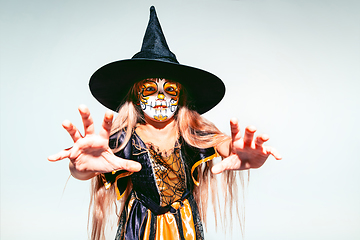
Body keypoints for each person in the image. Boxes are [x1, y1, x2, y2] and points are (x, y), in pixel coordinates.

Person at [48, 6, 281, 240]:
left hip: (184, 226)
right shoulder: (125, 140)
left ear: (182, 97)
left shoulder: (191, 134)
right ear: (135, 97)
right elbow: (92, 164)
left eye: (169, 90)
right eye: (150, 89)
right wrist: (78, 168)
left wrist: (238, 151)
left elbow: (221, 143)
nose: (161, 98)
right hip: (140, 228)